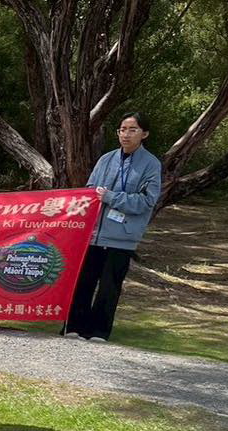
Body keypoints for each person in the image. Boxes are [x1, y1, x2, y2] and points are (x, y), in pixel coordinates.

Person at [64, 111, 162, 343]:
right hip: (93, 234)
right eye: (122, 130)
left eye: (132, 130)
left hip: (122, 237)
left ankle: (99, 332)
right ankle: (74, 327)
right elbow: (90, 191)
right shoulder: (106, 159)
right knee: (83, 282)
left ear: (144, 134)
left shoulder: (151, 164)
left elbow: (147, 201)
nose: (126, 135)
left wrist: (111, 197)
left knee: (109, 286)